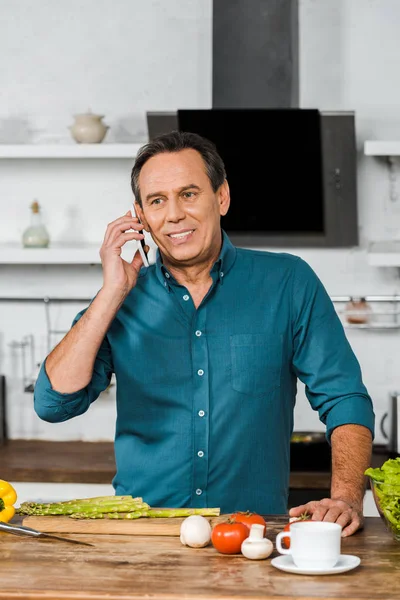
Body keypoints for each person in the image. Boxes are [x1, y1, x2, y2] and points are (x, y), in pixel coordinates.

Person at [34, 130, 374, 537]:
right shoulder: (120, 299)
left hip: (252, 535)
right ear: (140, 216)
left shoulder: (288, 282)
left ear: (222, 197)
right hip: (143, 539)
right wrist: (110, 293)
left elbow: (345, 398)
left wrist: (347, 497)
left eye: (189, 193)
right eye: (157, 201)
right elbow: (53, 403)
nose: (174, 214)